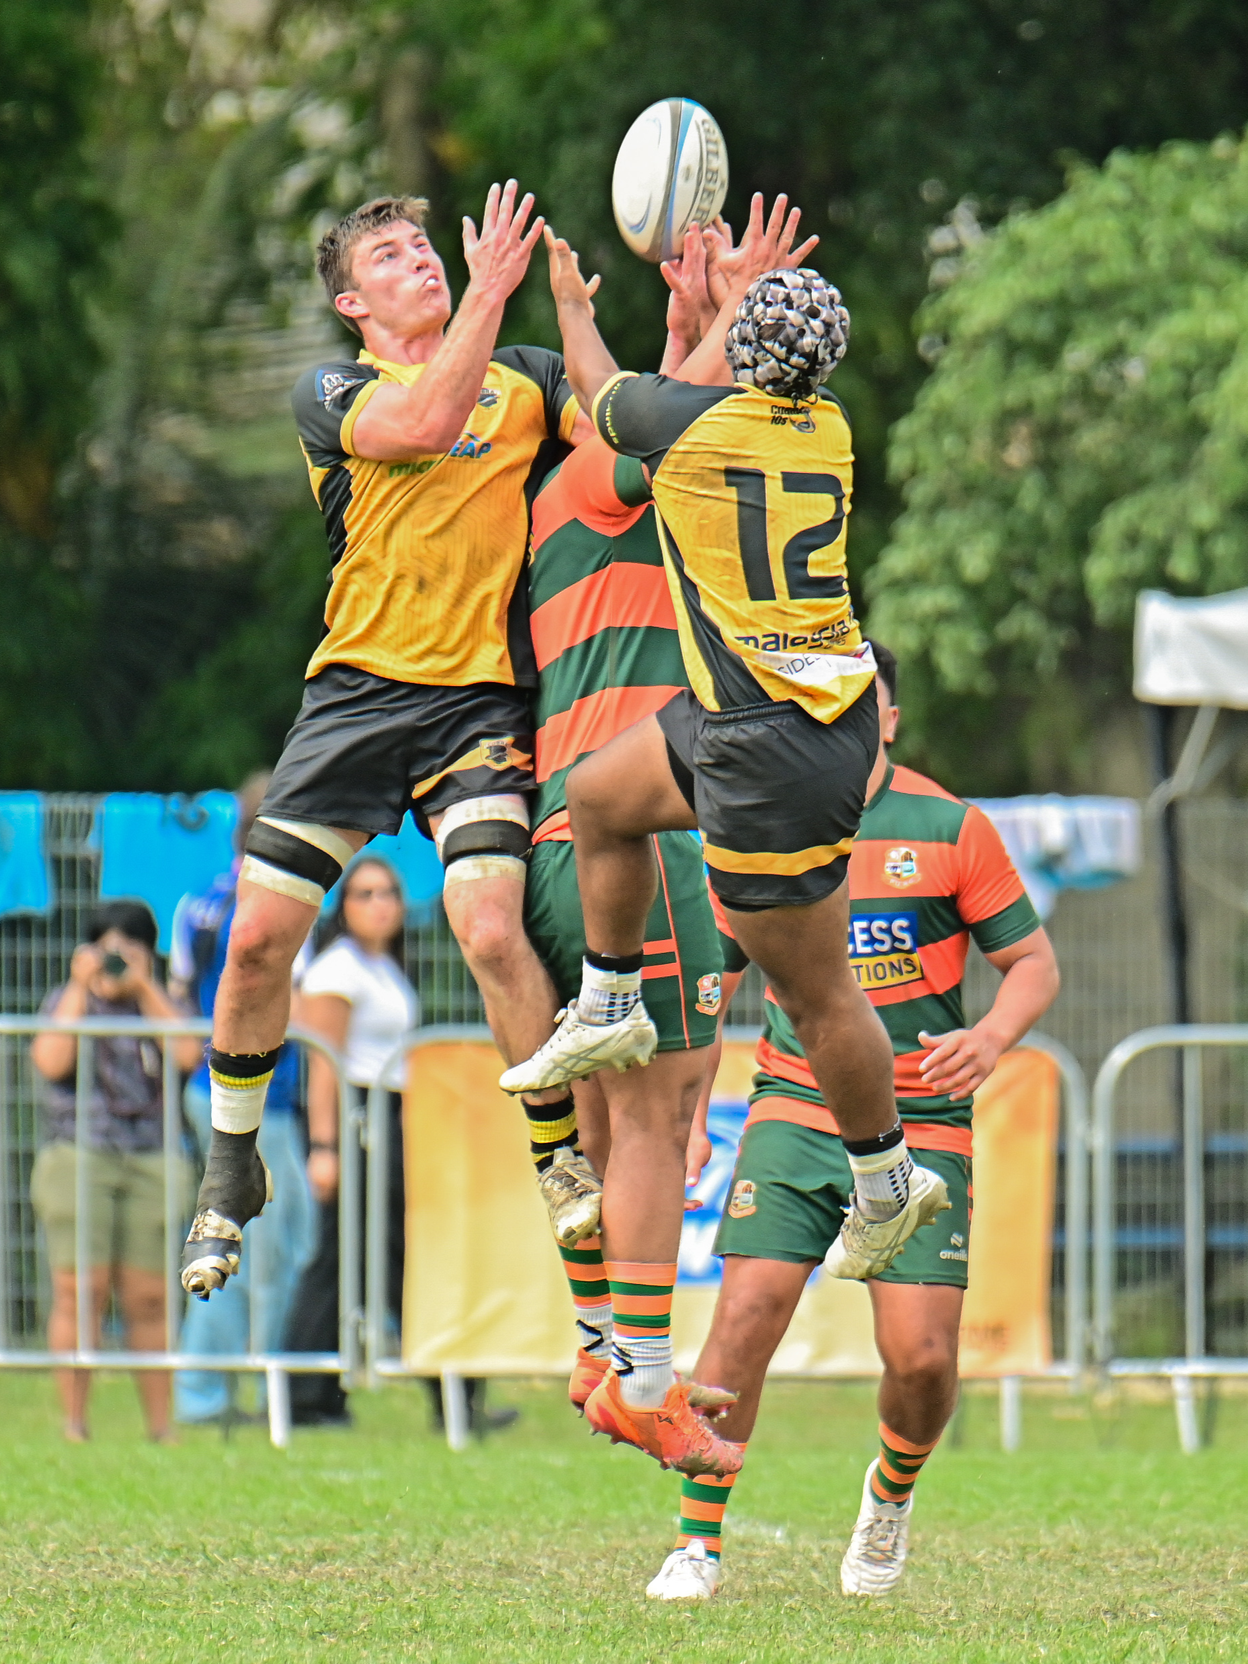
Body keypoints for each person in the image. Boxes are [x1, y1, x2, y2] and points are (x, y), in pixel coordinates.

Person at [505, 199, 947, 1289]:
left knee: (816, 990)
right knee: (601, 799)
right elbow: (681, 388)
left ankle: (887, 1176)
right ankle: (611, 996)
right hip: (785, 714)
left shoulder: (695, 433)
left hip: (763, 741)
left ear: (747, 359)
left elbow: (604, 390)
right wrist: (723, 303)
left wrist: (570, 305)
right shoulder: (827, 428)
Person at [181, 182, 598, 1302]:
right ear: (353, 305)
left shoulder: (524, 377)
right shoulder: (336, 391)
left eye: (426, 246)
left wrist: (664, 314)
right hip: (357, 696)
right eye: (393, 256)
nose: (423, 259)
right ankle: (231, 1163)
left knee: (487, 925)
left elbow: (624, 425)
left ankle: (558, 1153)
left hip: (478, 702)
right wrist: (493, 293)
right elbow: (421, 428)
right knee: (258, 938)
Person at [644, 644, 1060, 1600]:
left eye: (858, 702)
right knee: (745, 1316)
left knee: (922, 1358)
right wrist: (691, 1115)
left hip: (923, 1122)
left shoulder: (950, 826)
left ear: (890, 718)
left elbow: (1032, 962)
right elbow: (714, 988)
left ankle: (890, 1496)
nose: (836, 716)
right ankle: (697, 1544)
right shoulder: (764, 824)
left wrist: (992, 1036)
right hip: (796, 1110)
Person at [521, 251, 737, 1473]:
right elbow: (662, 414)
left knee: (646, 1098)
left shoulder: (596, 511)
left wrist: (690, 310)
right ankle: (644, 1376)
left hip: (595, 837)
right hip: (622, 835)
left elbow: (660, 405)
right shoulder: (584, 482)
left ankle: (608, 1345)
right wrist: (744, 310)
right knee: (658, 1112)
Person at [169, 773, 316, 1425]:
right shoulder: (284, 906)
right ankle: (209, 1393)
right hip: (258, 1099)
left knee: (274, 1242)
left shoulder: (197, 903)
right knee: (245, 1247)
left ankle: (231, 1385)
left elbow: (182, 997)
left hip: (210, 1089)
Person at [29, 901, 200, 1443]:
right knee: (80, 1290)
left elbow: (189, 1057)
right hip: (78, 1156)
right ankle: (75, 1423)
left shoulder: (164, 1002)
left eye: (130, 947)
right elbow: (51, 1061)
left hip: (151, 1157)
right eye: (107, 948)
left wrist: (145, 989)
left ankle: (161, 1428)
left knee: (150, 1296)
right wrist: (81, 987)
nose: (118, 958)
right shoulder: (67, 1000)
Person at [285, 855, 415, 1424]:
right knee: (347, 1254)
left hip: (388, 1113)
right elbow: (324, 1066)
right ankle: (303, 1392)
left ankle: (316, 1394)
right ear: (344, 907)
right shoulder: (337, 969)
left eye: (389, 893)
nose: (380, 905)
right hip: (355, 1118)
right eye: (365, 894)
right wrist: (325, 1148)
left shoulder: (384, 965)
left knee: (371, 1253)